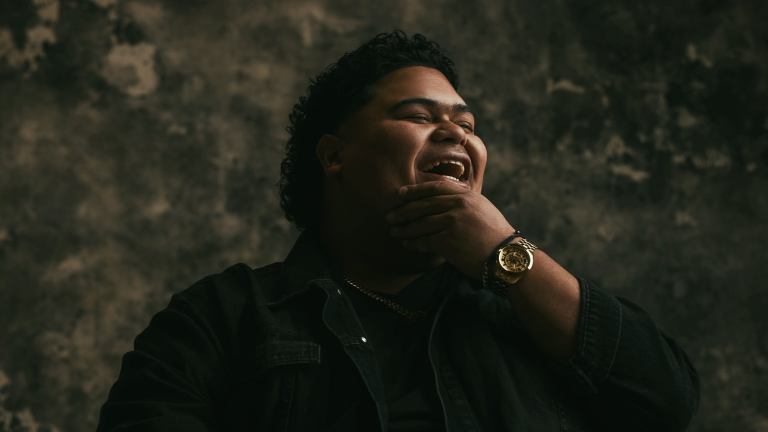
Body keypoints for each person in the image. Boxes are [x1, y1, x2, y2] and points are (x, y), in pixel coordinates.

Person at [97, 31, 699, 431]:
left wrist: (506, 254)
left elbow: (665, 402)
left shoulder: (526, 312)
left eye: (467, 125)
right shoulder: (220, 319)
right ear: (335, 156)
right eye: (418, 116)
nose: (456, 133)